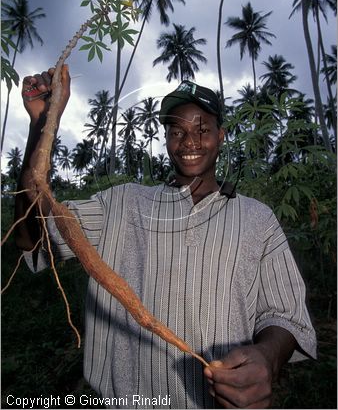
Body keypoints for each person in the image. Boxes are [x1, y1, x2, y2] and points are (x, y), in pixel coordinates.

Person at [16, 66, 316, 409]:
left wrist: (267, 357)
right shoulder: (122, 203)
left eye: (202, 129)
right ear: (167, 140)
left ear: (221, 136)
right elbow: (33, 239)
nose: (189, 141)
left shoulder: (258, 218)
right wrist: (41, 122)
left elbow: (285, 315)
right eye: (177, 131)